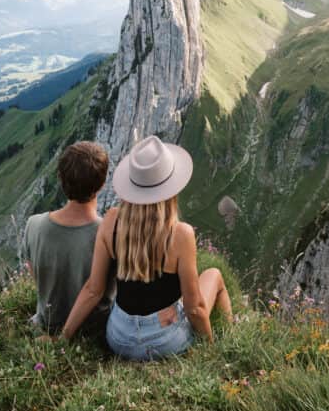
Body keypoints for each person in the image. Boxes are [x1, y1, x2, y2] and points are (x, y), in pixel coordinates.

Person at [62, 135, 232, 359]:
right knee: (214, 275)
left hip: (118, 337)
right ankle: (229, 336)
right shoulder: (181, 234)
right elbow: (195, 307)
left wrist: (63, 337)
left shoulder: (111, 220)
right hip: (165, 341)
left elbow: (93, 290)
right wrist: (210, 351)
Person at [24, 140, 115, 338]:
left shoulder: (33, 224)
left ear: (60, 178)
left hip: (48, 322)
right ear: (102, 184)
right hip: (94, 331)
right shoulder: (108, 233)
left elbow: (34, 272)